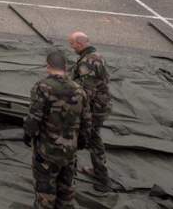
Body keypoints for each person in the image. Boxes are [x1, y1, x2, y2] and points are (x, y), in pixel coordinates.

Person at [24, 49, 92, 209]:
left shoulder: (43, 87)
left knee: (45, 193)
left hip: (47, 151)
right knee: (66, 191)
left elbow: (34, 116)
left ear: (48, 66)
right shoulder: (79, 90)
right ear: (66, 67)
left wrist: (28, 134)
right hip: (69, 153)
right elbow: (87, 121)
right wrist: (81, 142)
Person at [69, 31, 112, 192]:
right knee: (94, 138)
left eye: (72, 44)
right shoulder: (96, 56)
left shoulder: (87, 62)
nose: (72, 48)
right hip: (100, 105)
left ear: (79, 44)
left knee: (91, 139)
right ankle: (98, 171)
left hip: (93, 109)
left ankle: (103, 179)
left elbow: (86, 92)